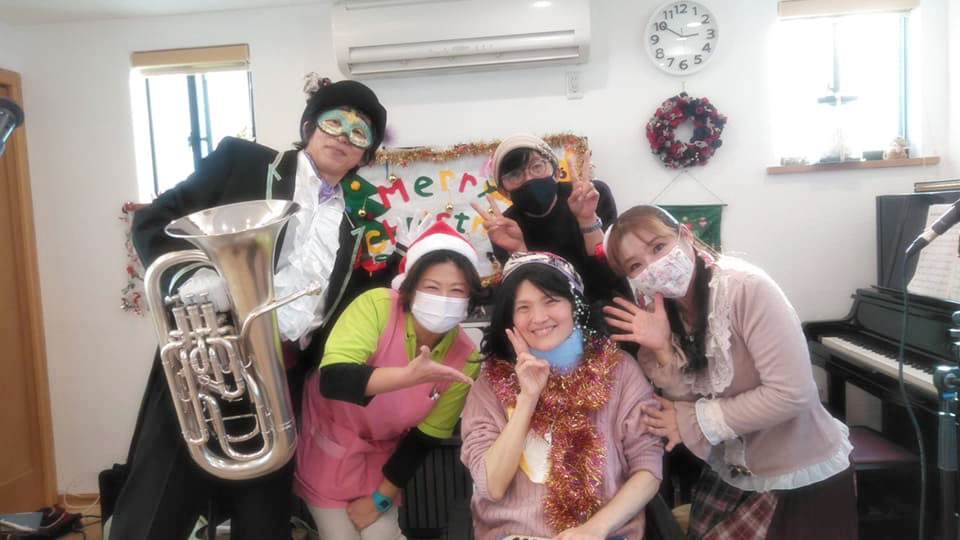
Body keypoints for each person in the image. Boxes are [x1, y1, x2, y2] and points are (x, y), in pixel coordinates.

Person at [109, 75, 392, 540]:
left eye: (359, 133)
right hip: (206, 363)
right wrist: (195, 279)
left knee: (264, 522)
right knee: (158, 509)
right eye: (334, 122)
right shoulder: (243, 162)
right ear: (309, 126)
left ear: (365, 155)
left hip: (281, 379)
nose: (344, 136)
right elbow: (153, 221)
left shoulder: (357, 221)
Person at [602, 205, 857, 539]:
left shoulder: (745, 288)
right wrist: (662, 348)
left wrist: (690, 421)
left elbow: (792, 393)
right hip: (732, 470)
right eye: (635, 265)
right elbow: (690, 397)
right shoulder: (661, 313)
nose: (653, 266)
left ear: (686, 236)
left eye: (658, 247)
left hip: (798, 474)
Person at [295, 221, 485, 539]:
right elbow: (333, 379)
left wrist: (379, 500)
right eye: (432, 287)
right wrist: (406, 376)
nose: (444, 298)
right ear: (409, 288)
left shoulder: (465, 356)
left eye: (457, 290)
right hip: (327, 446)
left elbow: (424, 439)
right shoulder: (378, 306)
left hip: (384, 463)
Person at [460, 252, 663, 539]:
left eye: (550, 301)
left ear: (574, 304)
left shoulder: (620, 370)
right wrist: (528, 398)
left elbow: (649, 468)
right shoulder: (489, 385)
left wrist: (595, 528)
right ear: (510, 318)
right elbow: (492, 486)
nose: (539, 318)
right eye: (523, 307)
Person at [470, 133, 629, 303]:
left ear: (556, 172)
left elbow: (615, 268)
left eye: (537, 167)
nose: (529, 178)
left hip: (614, 304)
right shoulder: (505, 228)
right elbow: (527, 292)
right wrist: (519, 251)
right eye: (515, 175)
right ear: (503, 192)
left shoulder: (591, 195)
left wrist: (588, 219)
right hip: (554, 312)